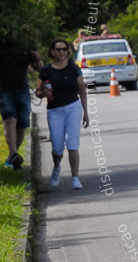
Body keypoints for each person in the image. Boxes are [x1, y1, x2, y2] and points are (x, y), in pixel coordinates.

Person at [36, 38, 89, 189]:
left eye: (64, 49)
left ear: (67, 51)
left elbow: (82, 90)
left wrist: (86, 112)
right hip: (55, 111)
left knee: (73, 144)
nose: (61, 52)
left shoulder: (74, 68)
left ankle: (75, 178)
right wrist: (44, 92)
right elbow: (38, 92)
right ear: (52, 51)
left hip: (73, 107)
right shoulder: (46, 71)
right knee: (57, 147)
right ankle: (57, 167)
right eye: (58, 49)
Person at [0, 31, 43, 170]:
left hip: (22, 89)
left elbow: (40, 69)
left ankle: (12, 157)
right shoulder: (2, 42)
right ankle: (13, 153)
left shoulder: (28, 44)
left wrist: (37, 58)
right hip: (3, 89)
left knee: (23, 123)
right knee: (10, 119)